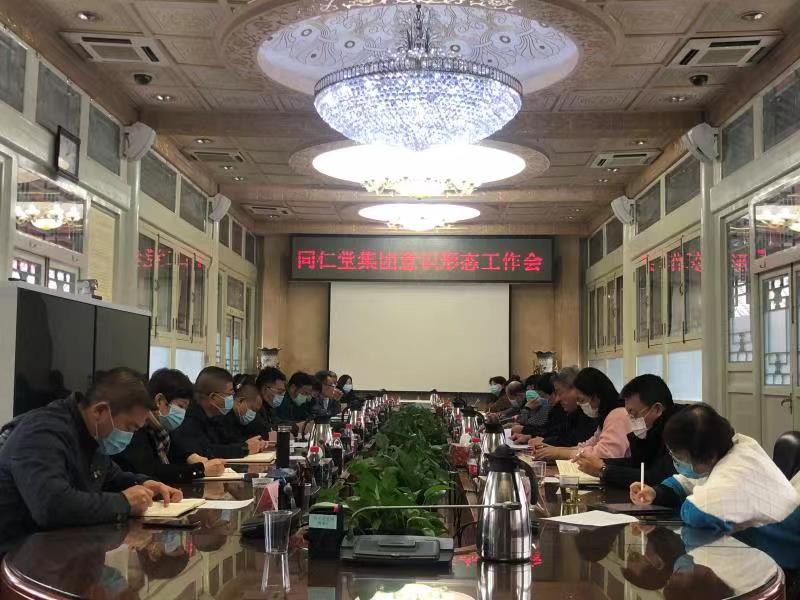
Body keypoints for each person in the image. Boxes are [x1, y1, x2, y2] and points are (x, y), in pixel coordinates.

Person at [0, 368, 182, 552]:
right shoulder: (43, 433)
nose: (130, 436)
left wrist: (145, 484)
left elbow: (111, 477)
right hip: (16, 555)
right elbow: (52, 506)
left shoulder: (91, 434)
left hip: (62, 549)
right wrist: (124, 503)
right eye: (129, 427)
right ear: (99, 411)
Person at [631, 404, 800, 537]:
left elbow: (696, 513)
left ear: (709, 456)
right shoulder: (732, 447)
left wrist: (683, 501)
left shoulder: (734, 472)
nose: (677, 462)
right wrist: (657, 492)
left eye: (680, 457)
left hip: (779, 551)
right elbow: (689, 482)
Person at [113, 369, 226, 484]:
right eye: (180, 406)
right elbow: (151, 471)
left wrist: (191, 457)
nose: (183, 414)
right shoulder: (137, 430)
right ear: (159, 400)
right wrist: (200, 470)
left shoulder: (161, 432)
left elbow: (176, 452)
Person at [574, 374, 680, 488]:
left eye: (633, 413)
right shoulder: (652, 428)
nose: (630, 419)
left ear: (657, 409)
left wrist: (603, 470)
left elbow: (658, 478)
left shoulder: (680, 429)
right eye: (628, 413)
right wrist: (599, 462)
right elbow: (637, 463)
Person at [532, 367, 629, 461]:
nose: (579, 405)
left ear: (596, 397)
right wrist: (554, 450)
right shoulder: (606, 416)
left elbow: (603, 454)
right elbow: (588, 445)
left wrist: (559, 453)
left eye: (582, 400)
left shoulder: (617, 415)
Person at [172, 367, 266, 459]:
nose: (232, 399)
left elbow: (228, 441)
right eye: (230, 394)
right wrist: (244, 449)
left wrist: (249, 444)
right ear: (213, 397)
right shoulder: (189, 418)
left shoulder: (218, 416)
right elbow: (203, 451)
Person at [223, 374, 270, 442]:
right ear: (240, 401)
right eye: (252, 410)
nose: (253, 415)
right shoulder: (224, 418)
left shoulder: (240, 418)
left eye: (256, 412)